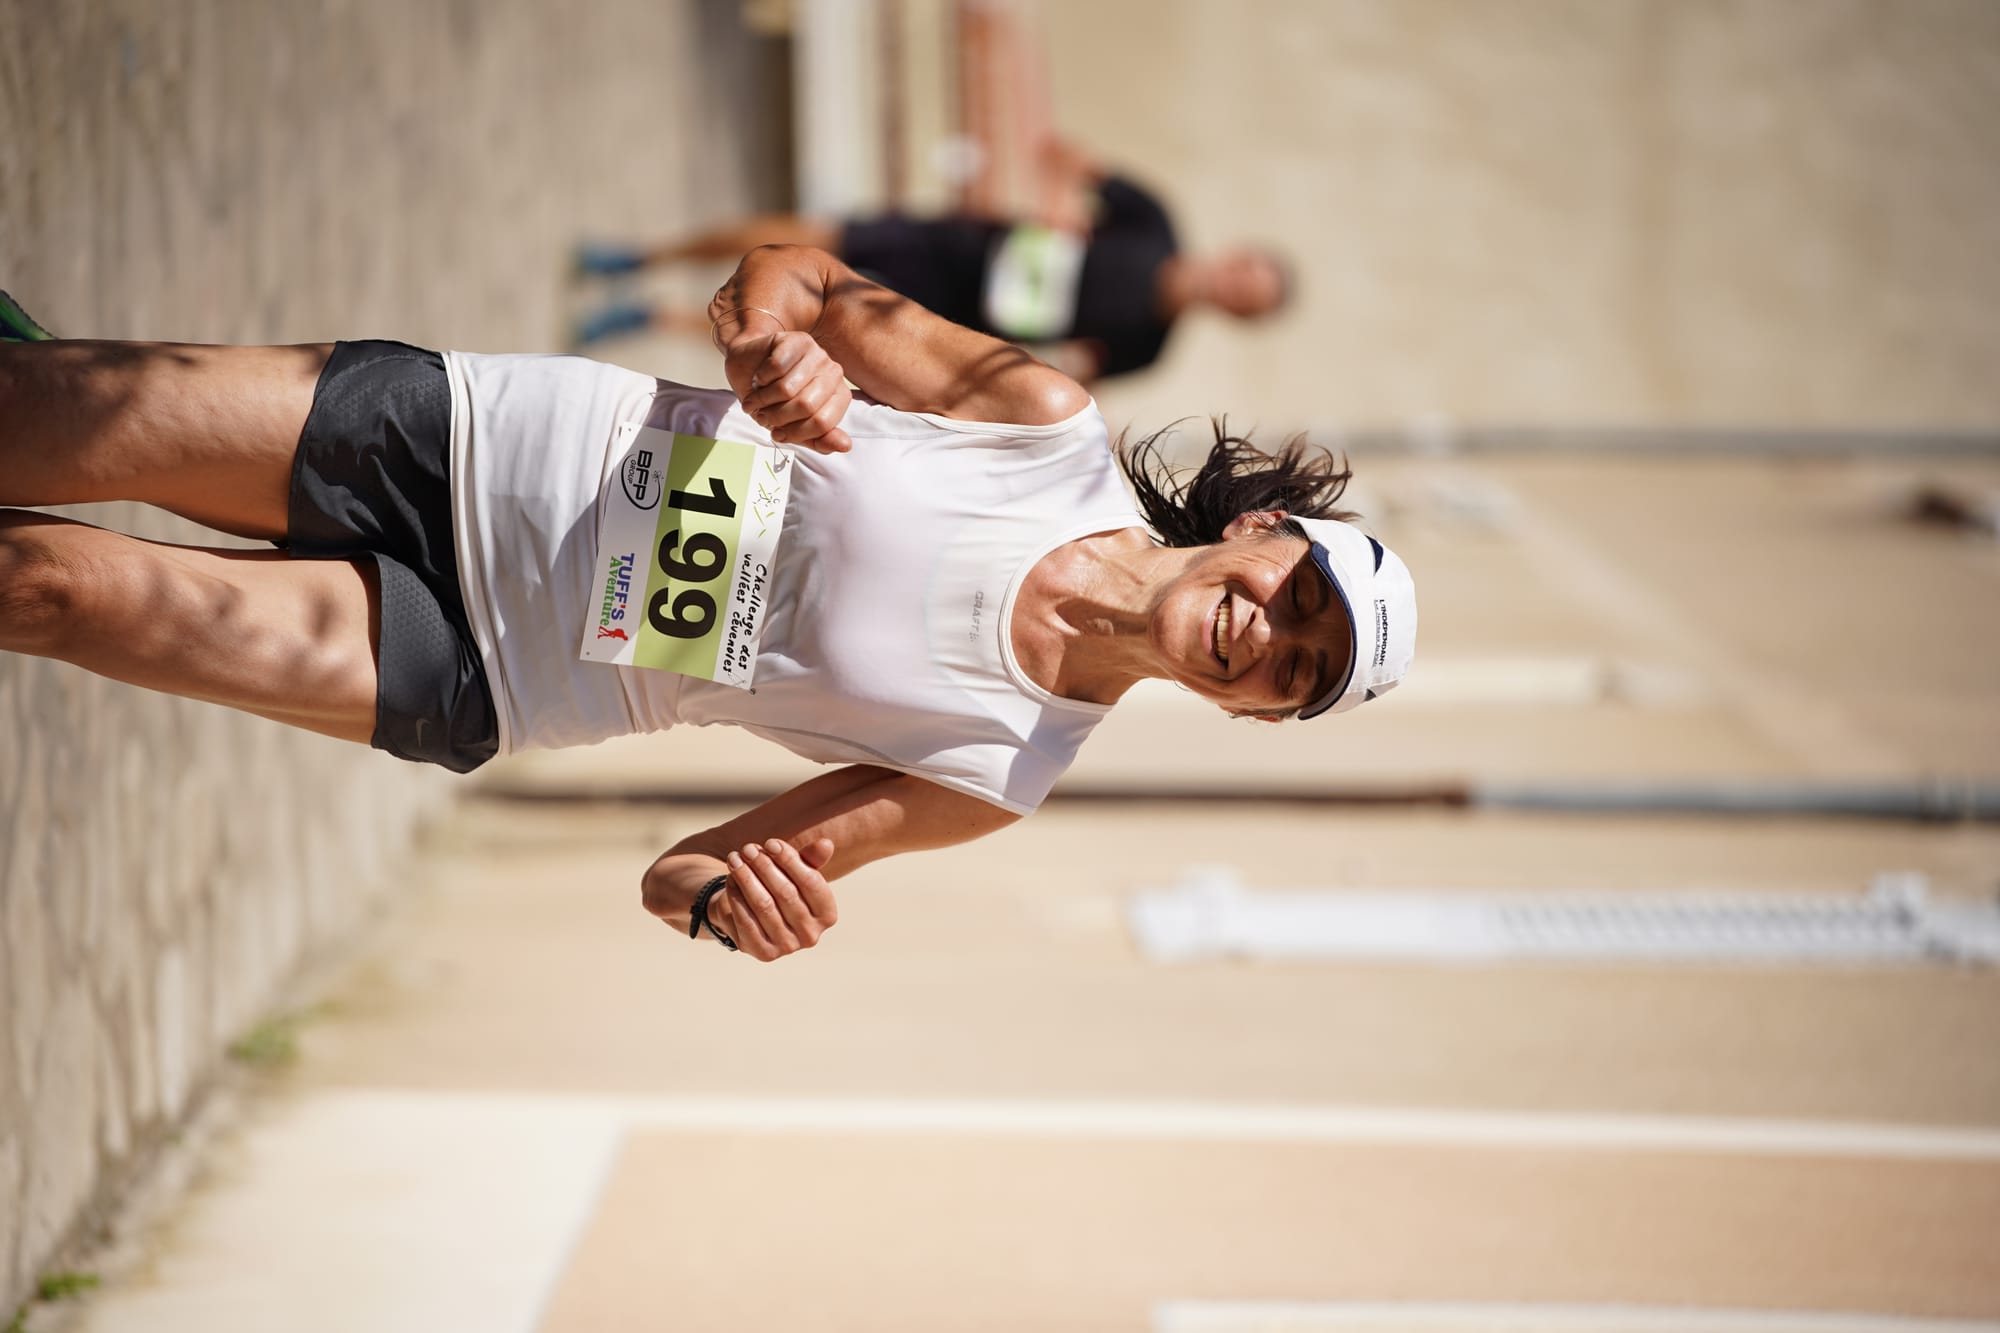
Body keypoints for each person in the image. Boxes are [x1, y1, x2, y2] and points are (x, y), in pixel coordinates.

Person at [0, 245, 1413, 962]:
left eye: (1292, 673)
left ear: (1246, 706)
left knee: (44, 587)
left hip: (487, 662)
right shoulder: (1042, 431)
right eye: (1297, 604)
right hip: (479, 436)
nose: (1265, 639)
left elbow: (688, 868)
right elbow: (797, 272)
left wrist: (730, 906)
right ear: (1262, 527)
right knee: (41, 415)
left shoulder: (1003, 767)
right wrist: (767, 346)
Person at [571, 140, 1290, 383]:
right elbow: (1066, 159)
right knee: (800, 239)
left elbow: (1069, 373)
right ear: (1234, 256)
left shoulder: (1151, 346)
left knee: (810, 329)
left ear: (1235, 317)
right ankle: (642, 256)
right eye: (1242, 274)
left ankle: (651, 316)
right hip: (959, 246)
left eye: (1242, 301)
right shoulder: (1153, 220)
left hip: (951, 319)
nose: (1229, 288)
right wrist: (1056, 205)